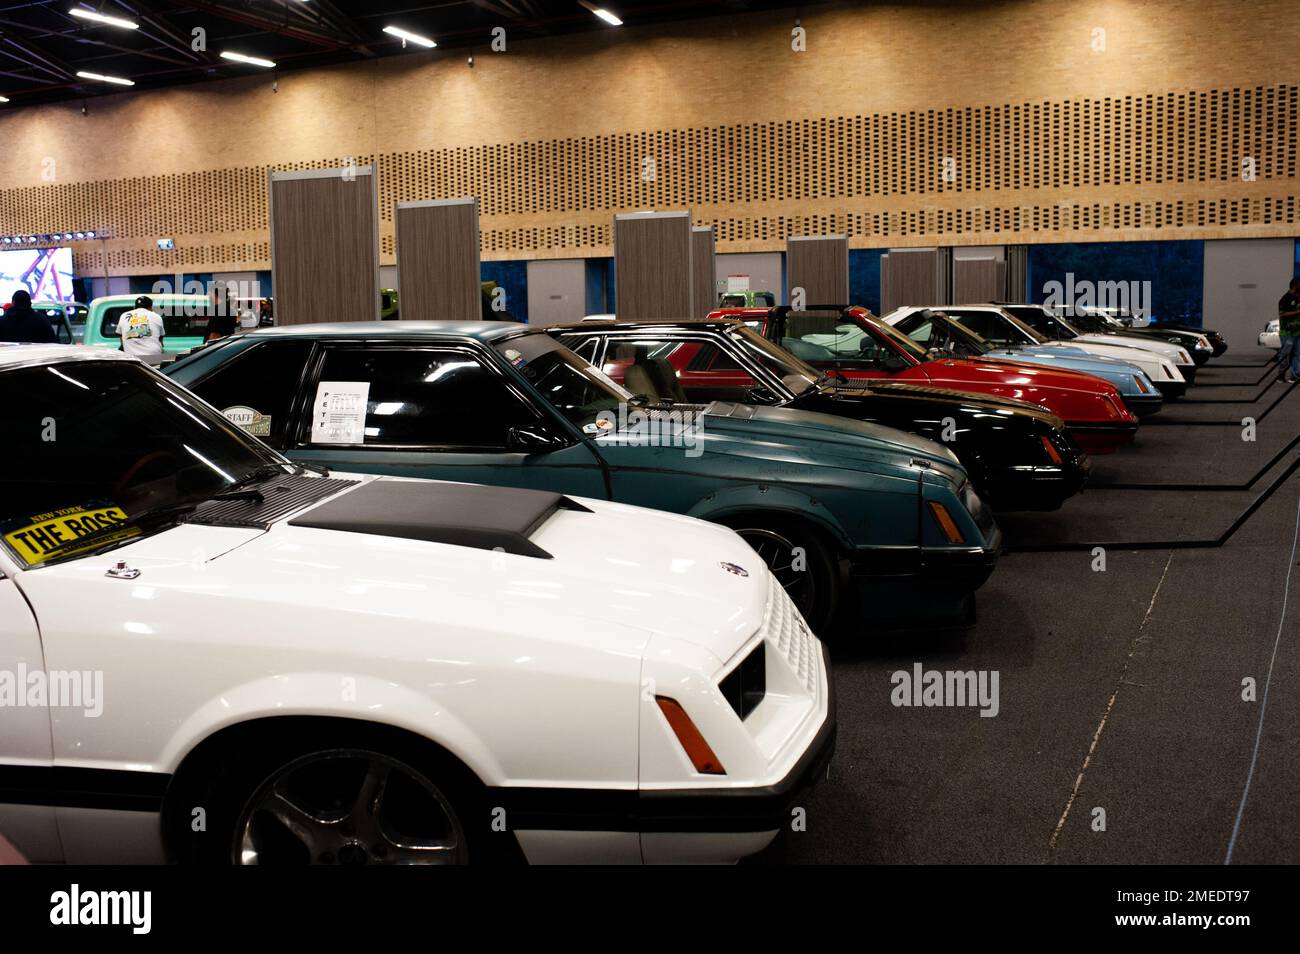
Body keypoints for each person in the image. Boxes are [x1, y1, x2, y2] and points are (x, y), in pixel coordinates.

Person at [117, 295, 166, 366]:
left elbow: (121, 337)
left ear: (135, 307)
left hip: (132, 359)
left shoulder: (124, 315)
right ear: (150, 307)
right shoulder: (156, 316)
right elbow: (160, 340)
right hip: (154, 359)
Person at [1278, 279, 1300, 383]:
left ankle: (1294, 376)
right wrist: (1297, 312)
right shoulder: (1285, 299)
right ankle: (1281, 376)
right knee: (1285, 354)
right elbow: (1282, 314)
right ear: (1295, 286)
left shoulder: (1298, 297)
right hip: (1287, 332)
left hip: (1297, 332)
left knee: (1297, 354)